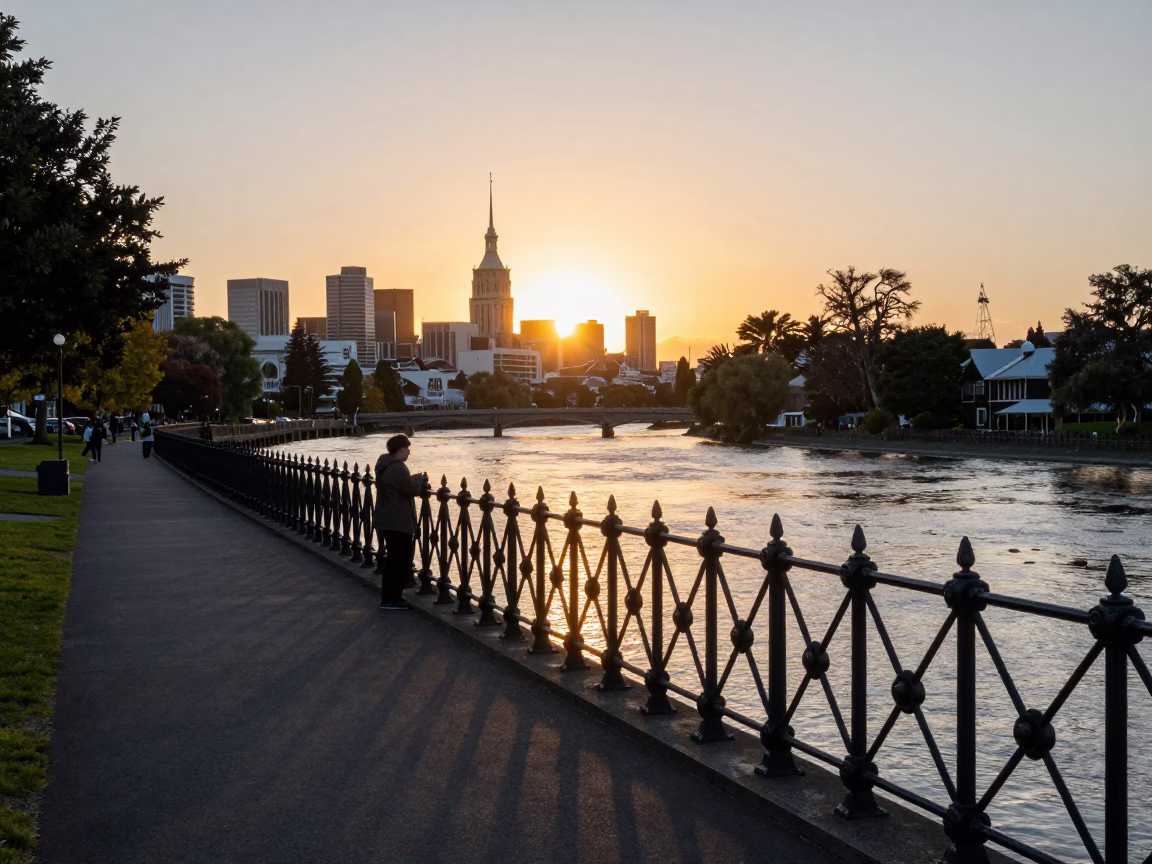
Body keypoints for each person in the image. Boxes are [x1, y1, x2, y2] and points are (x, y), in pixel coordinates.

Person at [373, 434, 427, 610]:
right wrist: (418, 479)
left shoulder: (385, 465)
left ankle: (390, 597)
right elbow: (411, 489)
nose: (409, 452)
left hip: (389, 518)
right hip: (397, 520)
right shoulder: (397, 468)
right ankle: (391, 599)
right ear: (400, 449)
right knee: (399, 560)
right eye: (407, 448)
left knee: (394, 559)